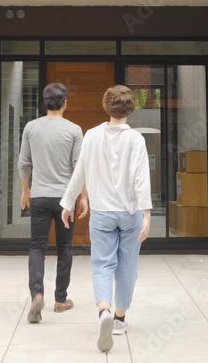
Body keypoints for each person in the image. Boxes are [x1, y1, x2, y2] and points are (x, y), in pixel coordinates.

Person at [60, 85, 152, 353]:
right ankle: (120, 320)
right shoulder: (136, 140)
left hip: (101, 212)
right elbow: (141, 179)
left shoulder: (92, 136)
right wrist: (147, 215)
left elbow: (80, 173)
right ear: (131, 108)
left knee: (102, 265)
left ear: (106, 107)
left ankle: (104, 311)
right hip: (130, 212)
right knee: (127, 267)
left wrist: (68, 203)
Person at [19, 82, 85, 324]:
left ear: (44, 104)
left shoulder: (31, 127)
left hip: (39, 196)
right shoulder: (74, 130)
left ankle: (37, 294)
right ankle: (60, 299)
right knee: (65, 248)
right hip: (65, 199)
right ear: (65, 103)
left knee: (37, 247)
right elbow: (79, 167)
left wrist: (25, 190)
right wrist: (82, 196)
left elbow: (23, 163)